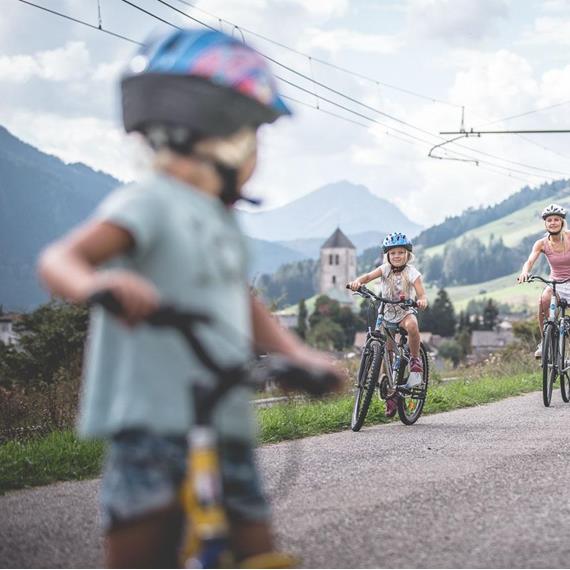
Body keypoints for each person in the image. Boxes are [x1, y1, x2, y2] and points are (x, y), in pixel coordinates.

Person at [38, 28, 341, 568]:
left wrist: (296, 354)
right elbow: (61, 260)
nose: (257, 150)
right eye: (253, 133)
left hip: (221, 414)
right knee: (142, 549)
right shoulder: (151, 202)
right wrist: (97, 285)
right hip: (151, 421)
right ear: (216, 133)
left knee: (255, 544)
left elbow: (241, 302)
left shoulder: (219, 218)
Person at [348, 233, 428, 416]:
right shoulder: (384, 269)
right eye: (393, 253)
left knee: (413, 326)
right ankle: (390, 395)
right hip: (386, 315)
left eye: (401, 252)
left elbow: (421, 294)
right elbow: (368, 276)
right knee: (387, 354)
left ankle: (415, 362)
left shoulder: (412, 273)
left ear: (408, 254)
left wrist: (422, 300)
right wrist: (357, 282)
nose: (397, 256)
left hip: (404, 312)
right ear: (387, 256)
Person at [518, 203, 570, 358]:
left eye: (556, 219)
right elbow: (529, 261)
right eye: (549, 220)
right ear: (545, 223)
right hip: (555, 283)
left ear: (562, 222)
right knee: (542, 302)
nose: (553, 222)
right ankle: (545, 341)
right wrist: (525, 272)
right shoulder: (541, 244)